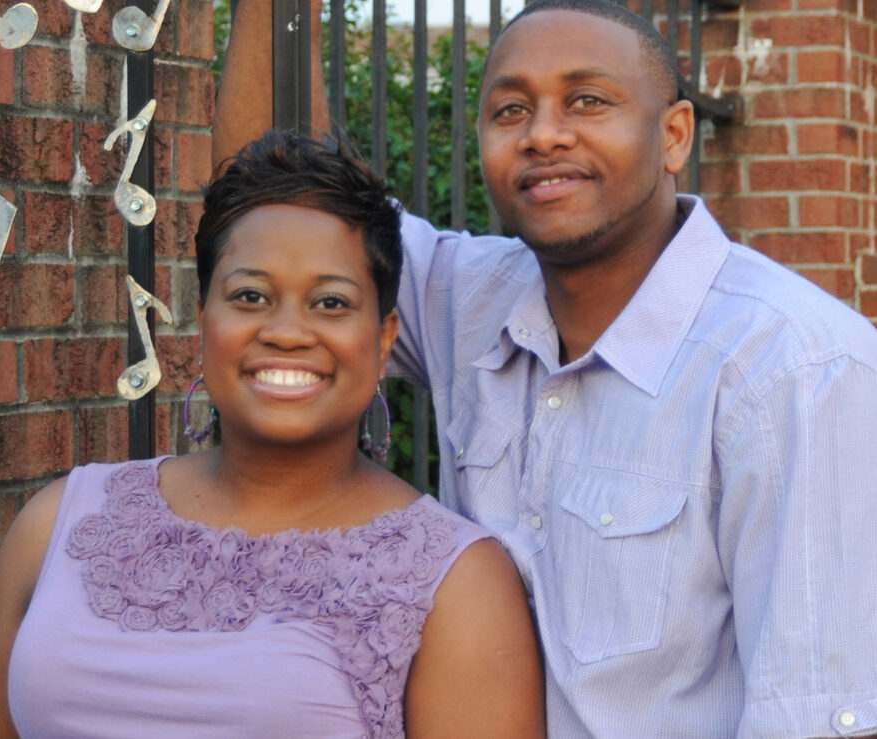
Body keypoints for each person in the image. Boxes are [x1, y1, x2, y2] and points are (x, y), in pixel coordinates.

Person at [213, 0, 877, 736]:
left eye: (588, 101)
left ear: (675, 134)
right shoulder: (468, 300)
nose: (544, 134)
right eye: (510, 110)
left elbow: (815, 713)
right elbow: (279, 204)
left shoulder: (795, 368)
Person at [0, 130, 545, 738]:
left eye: (330, 302)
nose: (287, 331)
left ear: (382, 339)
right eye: (250, 295)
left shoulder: (456, 582)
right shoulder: (59, 522)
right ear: (203, 321)